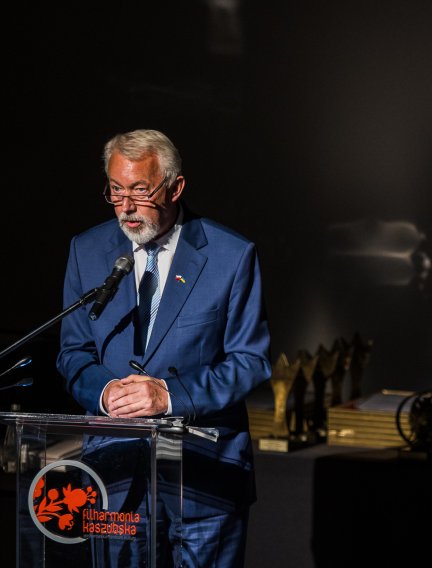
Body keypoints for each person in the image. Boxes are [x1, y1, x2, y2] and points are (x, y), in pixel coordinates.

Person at [57, 128, 272, 568]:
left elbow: (250, 361)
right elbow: (73, 353)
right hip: (115, 473)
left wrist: (169, 396)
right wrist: (106, 393)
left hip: (204, 478)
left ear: (175, 187)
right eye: (115, 190)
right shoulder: (87, 250)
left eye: (140, 190)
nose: (126, 206)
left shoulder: (231, 255)